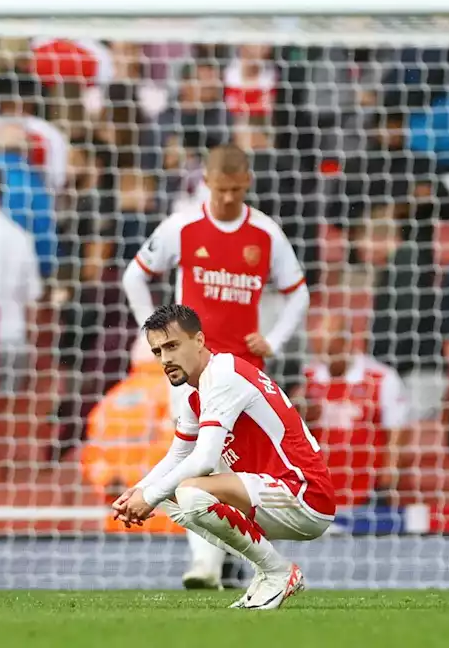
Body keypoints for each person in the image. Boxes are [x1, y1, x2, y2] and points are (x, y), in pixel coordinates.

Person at [121, 143, 310, 589]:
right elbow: (135, 275)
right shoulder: (182, 226)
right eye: (220, 189)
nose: (227, 198)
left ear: (247, 184)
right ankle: (207, 564)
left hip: (244, 371)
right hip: (190, 368)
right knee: (194, 456)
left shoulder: (265, 233)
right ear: (206, 183)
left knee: (237, 466)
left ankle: (227, 557)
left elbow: (298, 292)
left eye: (235, 190)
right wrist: (159, 341)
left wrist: (275, 340)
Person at [113, 304, 335, 611]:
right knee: (171, 494)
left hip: (304, 494)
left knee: (189, 492)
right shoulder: (197, 394)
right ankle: (267, 572)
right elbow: (178, 454)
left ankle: (278, 572)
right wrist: (137, 492)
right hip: (268, 492)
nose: (165, 359)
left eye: (173, 346)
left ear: (200, 341)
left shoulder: (223, 375)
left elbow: (204, 460)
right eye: (158, 351)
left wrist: (148, 497)